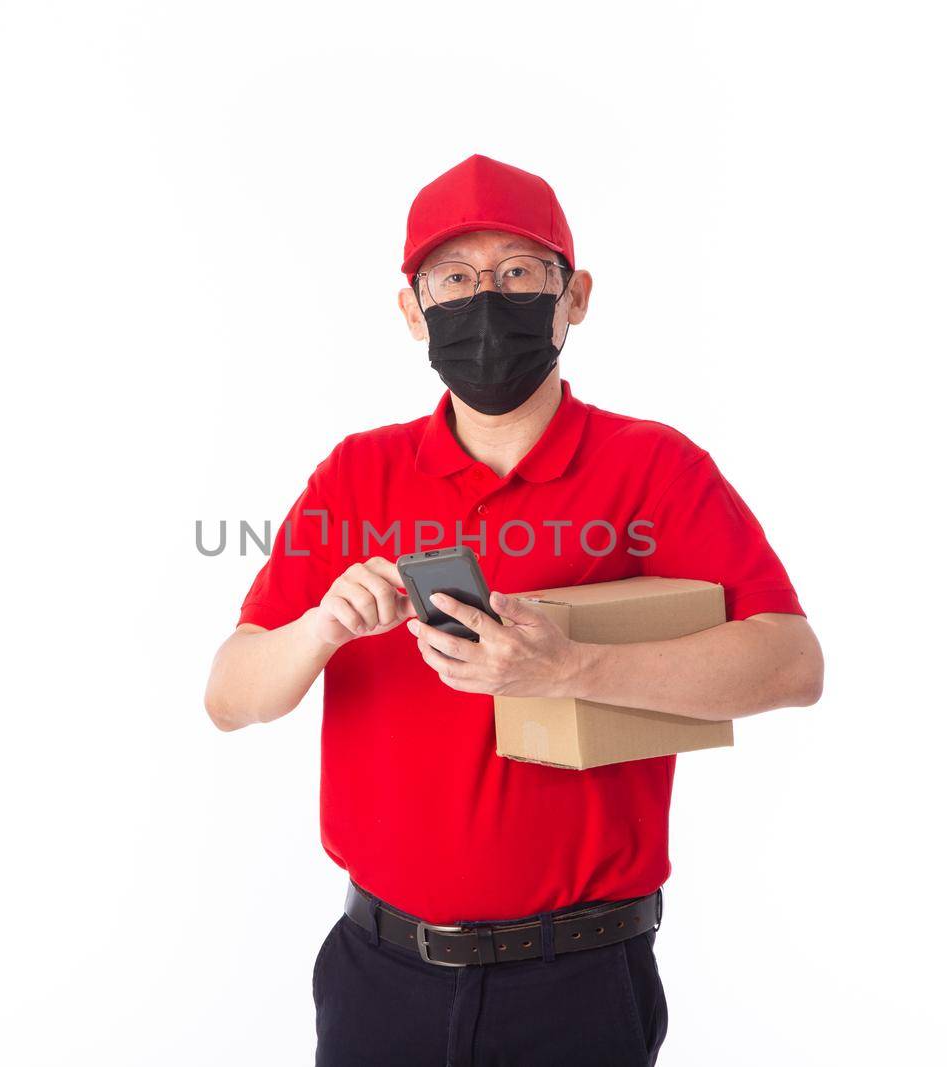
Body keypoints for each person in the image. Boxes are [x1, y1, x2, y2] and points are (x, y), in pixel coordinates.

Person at [204, 153, 823, 1066]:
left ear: (573, 297)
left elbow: (792, 664)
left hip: (578, 982)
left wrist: (572, 668)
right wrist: (319, 625)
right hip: (379, 975)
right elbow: (229, 694)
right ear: (413, 309)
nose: (484, 301)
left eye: (518, 274)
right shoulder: (357, 473)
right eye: (453, 278)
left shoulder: (655, 469)